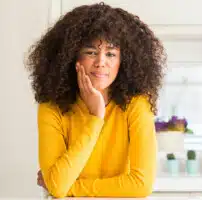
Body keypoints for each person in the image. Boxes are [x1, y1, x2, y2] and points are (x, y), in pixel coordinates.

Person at [26, 2, 166, 198]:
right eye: (91, 52)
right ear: (70, 57)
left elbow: (141, 185)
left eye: (111, 54)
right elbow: (57, 187)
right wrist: (95, 118)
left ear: (123, 61)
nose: (101, 62)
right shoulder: (51, 108)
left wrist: (70, 188)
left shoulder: (137, 104)